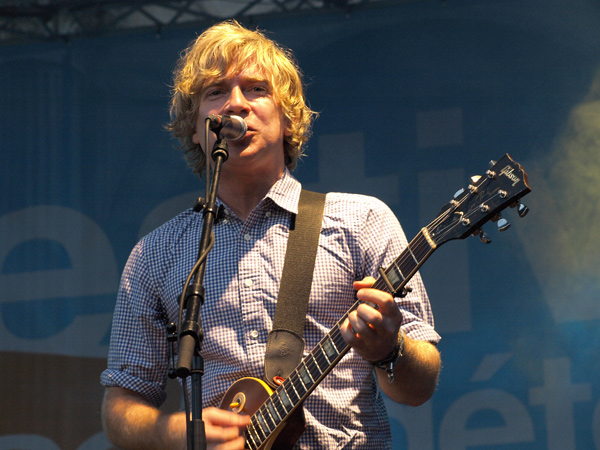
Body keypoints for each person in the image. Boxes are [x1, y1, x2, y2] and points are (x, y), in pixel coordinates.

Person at [101, 20, 441, 450]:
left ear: (288, 117)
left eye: (256, 89)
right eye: (216, 92)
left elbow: (419, 388)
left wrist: (389, 351)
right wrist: (178, 433)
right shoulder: (155, 255)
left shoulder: (362, 221)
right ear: (195, 126)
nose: (235, 104)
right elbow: (120, 407)